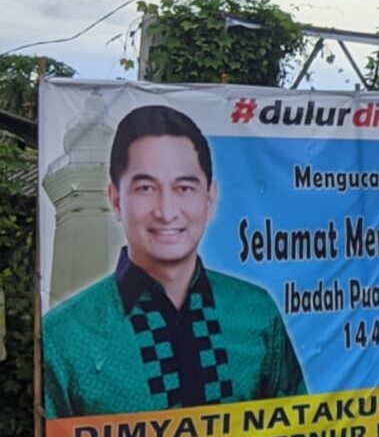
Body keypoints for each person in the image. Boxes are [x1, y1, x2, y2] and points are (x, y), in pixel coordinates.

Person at [44, 105, 307, 419]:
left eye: (184, 188)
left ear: (209, 199)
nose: (166, 212)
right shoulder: (64, 335)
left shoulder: (256, 311)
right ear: (116, 200)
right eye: (145, 188)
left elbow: (296, 435)